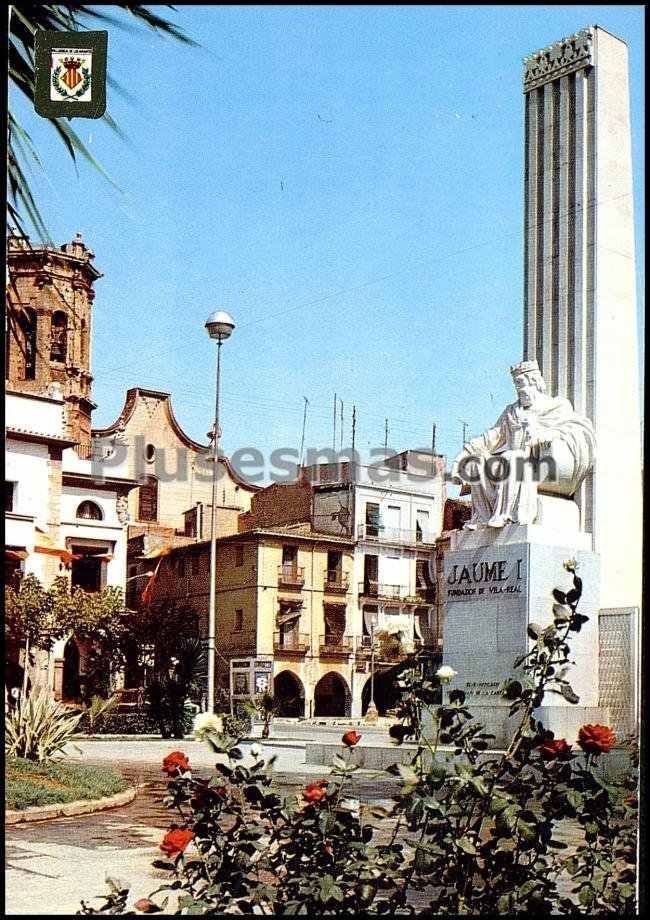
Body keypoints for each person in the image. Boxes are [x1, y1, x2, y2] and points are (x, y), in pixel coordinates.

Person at [451, 359, 595, 529]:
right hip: (511, 462)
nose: (519, 390)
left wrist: (543, 435)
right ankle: (482, 517)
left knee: (512, 457)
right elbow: (491, 436)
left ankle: (505, 515)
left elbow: (574, 430)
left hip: (540, 463)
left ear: (534, 382)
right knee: (478, 462)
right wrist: (462, 457)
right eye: (516, 386)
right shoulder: (512, 411)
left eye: (521, 384)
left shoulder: (556, 406)